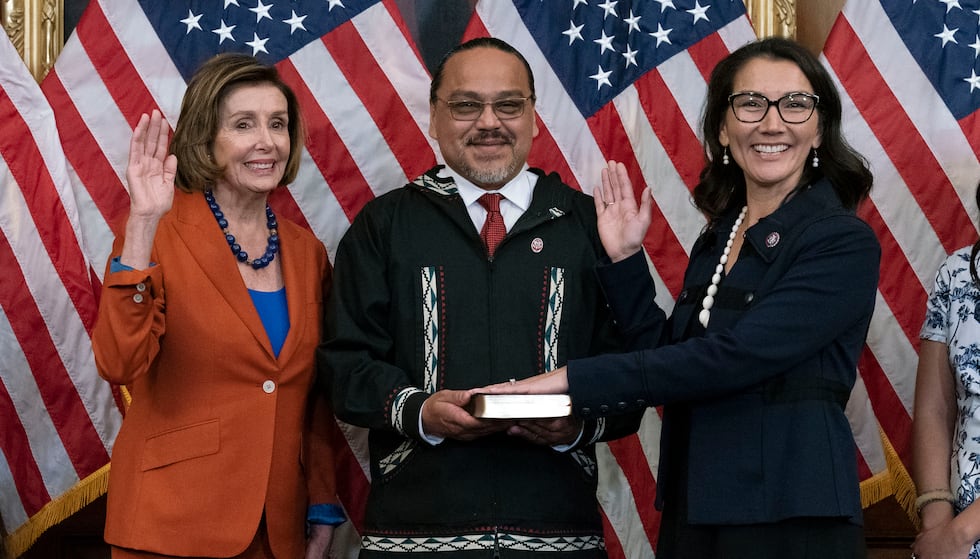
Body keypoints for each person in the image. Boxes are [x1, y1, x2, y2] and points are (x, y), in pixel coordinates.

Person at [485, 37, 880, 559]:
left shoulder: (842, 240)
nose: (772, 123)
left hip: (790, 518)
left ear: (820, 129)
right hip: (695, 510)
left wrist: (573, 380)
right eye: (750, 103)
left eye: (795, 104)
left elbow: (733, 359)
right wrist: (625, 260)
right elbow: (672, 359)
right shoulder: (720, 236)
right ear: (723, 128)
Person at [319, 37, 639, 558]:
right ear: (434, 117)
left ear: (534, 117)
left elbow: (634, 368)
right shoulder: (384, 226)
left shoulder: (590, 225)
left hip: (558, 534)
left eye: (508, 105)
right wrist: (420, 411)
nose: (489, 122)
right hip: (413, 536)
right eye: (466, 105)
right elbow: (345, 366)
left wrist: (576, 424)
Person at [91, 53, 344, 559]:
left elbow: (314, 392)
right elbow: (118, 362)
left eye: (278, 124)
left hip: (277, 532)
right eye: (243, 124)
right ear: (205, 138)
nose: (266, 141)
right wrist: (142, 224)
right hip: (170, 525)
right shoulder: (157, 234)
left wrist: (320, 502)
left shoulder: (306, 252)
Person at [911, 183, 980, 559]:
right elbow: (934, 409)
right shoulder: (957, 274)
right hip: (953, 540)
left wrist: (963, 531)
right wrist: (937, 521)